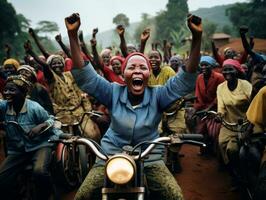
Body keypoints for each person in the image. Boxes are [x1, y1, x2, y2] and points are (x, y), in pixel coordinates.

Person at [65, 12, 202, 199]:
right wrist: (72, 36)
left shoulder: (159, 94)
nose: (137, 71)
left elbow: (186, 79)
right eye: (132, 67)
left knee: (175, 195)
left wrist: (197, 37)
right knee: (83, 195)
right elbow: (84, 75)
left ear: (148, 75)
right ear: (124, 74)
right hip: (110, 156)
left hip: (150, 158)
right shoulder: (112, 91)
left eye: (142, 68)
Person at [0, 75, 58, 200]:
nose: (7, 93)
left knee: (39, 171)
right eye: (5, 90)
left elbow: (51, 120)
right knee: (2, 177)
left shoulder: (34, 107)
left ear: (23, 92)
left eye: (12, 90)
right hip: (18, 150)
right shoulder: (4, 107)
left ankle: (47, 196)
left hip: (40, 146)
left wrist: (41, 126)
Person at [217, 59, 252, 187]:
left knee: (232, 149)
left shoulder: (246, 85)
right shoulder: (221, 87)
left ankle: (241, 173)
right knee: (221, 143)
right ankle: (233, 172)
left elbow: (253, 103)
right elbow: (221, 106)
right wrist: (219, 115)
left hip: (246, 123)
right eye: (225, 69)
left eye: (230, 69)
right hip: (228, 123)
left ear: (236, 71)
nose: (227, 72)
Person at [194, 56, 224, 155]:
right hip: (202, 108)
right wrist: (198, 108)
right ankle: (203, 149)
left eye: (206, 65)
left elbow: (220, 95)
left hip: (215, 108)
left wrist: (209, 108)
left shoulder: (219, 77)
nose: (203, 67)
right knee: (200, 131)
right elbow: (198, 94)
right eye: (202, 65)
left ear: (211, 66)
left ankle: (214, 151)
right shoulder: (199, 77)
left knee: (213, 132)